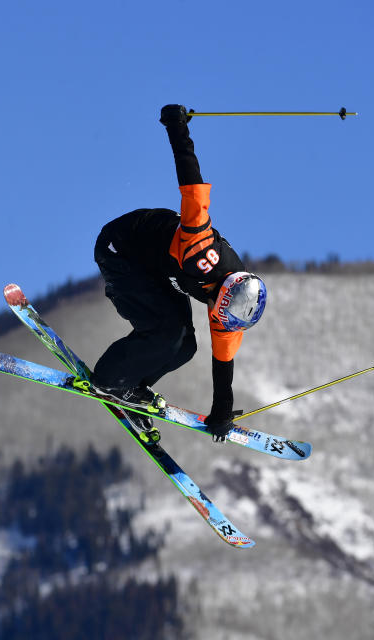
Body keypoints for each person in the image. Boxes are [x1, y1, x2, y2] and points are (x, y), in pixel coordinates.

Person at [91, 104, 267, 445]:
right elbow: (192, 183)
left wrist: (222, 411)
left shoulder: (232, 309)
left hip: (154, 270)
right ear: (222, 295)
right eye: (223, 315)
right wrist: (176, 125)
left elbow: (223, 361)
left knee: (185, 344)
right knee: (167, 330)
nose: (222, 322)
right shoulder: (200, 248)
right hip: (121, 250)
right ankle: (109, 378)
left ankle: (132, 386)